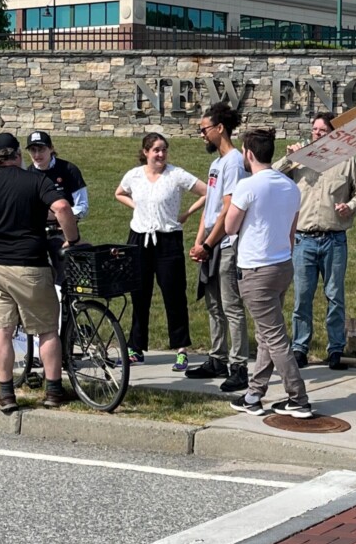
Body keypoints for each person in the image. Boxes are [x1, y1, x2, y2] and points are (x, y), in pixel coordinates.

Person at [0, 133, 82, 413]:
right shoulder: (35, 180)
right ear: (17, 155)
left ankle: (6, 393)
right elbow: (61, 207)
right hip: (29, 264)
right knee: (48, 329)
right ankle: (53, 391)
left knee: (1, 330)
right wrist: (72, 240)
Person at [225, 128, 311, 419]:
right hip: (283, 265)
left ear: (248, 154)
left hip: (256, 269)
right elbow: (291, 231)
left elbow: (229, 227)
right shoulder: (289, 186)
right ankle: (253, 394)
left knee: (274, 337)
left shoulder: (248, 186)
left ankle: (298, 398)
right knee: (266, 334)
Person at [279, 112, 356, 370]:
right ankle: (300, 348)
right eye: (315, 130)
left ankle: (336, 349)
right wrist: (290, 157)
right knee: (302, 298)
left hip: (334, 240)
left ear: (334, 134)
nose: (317, 134)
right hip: (303, 240)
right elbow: (270, 175)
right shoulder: (299, 159)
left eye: (322, 131)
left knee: (335, 296)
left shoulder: (348, 160)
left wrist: (350, 207)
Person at [115, 132, 207, 368]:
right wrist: (136, 206)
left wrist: (187, 214)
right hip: (139, 239)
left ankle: (181, 348)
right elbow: (119, 193)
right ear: (145, 152)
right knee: (139, 294)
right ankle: (136, 347)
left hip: (168, 240)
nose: (161, 154)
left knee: (174, 294)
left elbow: (207, 191)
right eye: (156, 149)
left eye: (164, 149)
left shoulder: (176, 174)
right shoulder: (134, 175)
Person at [186, 102, 250, 391]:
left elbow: (229, 209)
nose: (201, 135)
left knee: (231, 305)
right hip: (211, 241)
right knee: (213, 304)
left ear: (219, 128)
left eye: (204, 129)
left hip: (226, 242)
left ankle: (238, 366)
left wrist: (210, 244)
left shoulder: (235, 161)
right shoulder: (216, 164)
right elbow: (209, 209)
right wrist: (200, 241)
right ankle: (217, 357)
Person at [25, 130, 89, 283]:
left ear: (51, 148)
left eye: (41, 149)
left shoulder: (68, 170)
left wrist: (61, 215)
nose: (37, 154)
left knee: (66, 281)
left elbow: (82, 206)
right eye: (33, 150)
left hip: (63, 233)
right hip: (37, 234)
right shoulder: (27, 174)